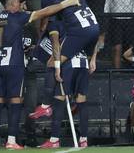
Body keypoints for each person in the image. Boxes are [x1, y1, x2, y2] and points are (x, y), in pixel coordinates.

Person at [0, 0, 79, 150]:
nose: (20, 4)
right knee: (15, 103)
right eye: (18, 1)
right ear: (12, 3)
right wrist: (66, 3)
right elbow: (45, 11)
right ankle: (11, 141)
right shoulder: (18, 17)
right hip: (14, 65)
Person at [38, 20, 93, 148]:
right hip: (83, 61)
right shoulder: (80, 23)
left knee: (59, 100)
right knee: (82, 100)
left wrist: (56, 67)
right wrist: (93, 58)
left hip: (69, 63)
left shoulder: (57, 24)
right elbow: (94, 39)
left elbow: (57, 47)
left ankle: (54, 140)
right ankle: (84, 139)